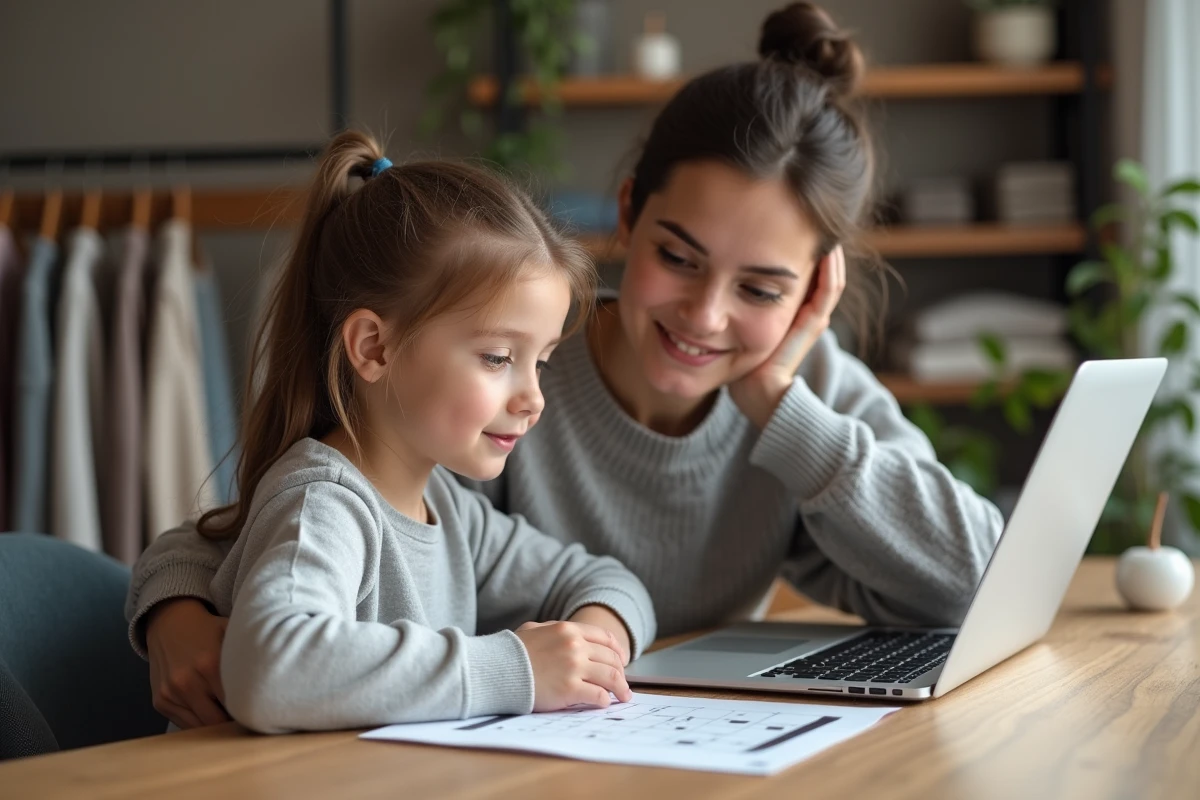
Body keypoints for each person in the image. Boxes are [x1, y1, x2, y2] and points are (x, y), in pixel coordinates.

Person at [126, 1, 1002, 728]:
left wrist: (778, 404)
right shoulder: (487, 360)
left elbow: (984, 581)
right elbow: (275, 523)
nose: (705, 316)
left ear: (815, 290)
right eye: (679, 257)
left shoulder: (806, 395)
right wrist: (177, 609)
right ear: (629, 213)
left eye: (762, 289)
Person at [126, 130, 657, 733]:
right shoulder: (324, 503)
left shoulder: (452, 512)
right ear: (374, 347)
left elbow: (610, 582)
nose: (533, 398)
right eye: (497, 358)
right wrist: (515, 669)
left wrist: (587, 651)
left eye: (542, 362)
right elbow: (271, 671)